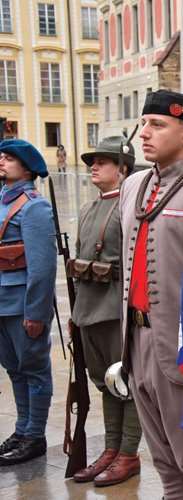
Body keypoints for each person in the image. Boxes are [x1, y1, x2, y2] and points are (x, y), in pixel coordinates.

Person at [119, 90, 183, 498]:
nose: (145, 133)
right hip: (135, 341)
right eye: (143, 124)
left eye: (157, 125)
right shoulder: (134, 184)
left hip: (182, 350)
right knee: (163, 462)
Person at [68, 136, 142, 486]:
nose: (93, 166)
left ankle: (128, 453)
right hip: (88, 308)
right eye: (92, 161)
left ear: (123, 169)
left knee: (125, 382)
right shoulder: (88, 208)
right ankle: (111, 450)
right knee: (105, 383)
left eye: (103, 161)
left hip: (116, 310)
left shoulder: (131, 209)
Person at [0, 139, 57, 466]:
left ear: (26, 167)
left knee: (34, 370)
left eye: (9, 158)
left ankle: (35, 435)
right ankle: (22, 430)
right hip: (2, 302)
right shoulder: (3, 200)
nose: (2, 161)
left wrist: (36, 312)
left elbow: (43, 266)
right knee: (14, 369)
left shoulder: (34, 206)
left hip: (23, 304)